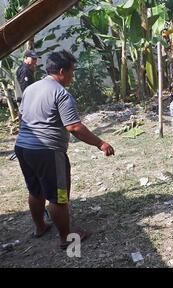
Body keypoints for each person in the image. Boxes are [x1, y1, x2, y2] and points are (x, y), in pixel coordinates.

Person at [14, 50, 115, 250]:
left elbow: (22, 116)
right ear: (61, 71)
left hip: (23, 147)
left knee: (35, 191)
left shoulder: (31, 89)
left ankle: (40, 227)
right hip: (48, 152)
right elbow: (74, 127)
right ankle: (66, 238)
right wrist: (101, 143)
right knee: (58, 197)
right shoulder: (61, 93)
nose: (73, 76)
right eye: (72, 71)